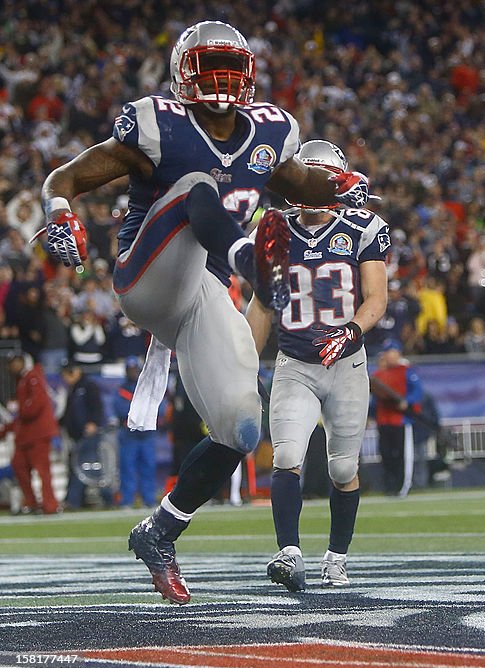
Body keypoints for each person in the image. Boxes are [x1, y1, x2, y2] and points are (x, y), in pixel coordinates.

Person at [39, 20, 372, 605]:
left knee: (242, 426)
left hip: (204, 292)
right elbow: (67, 176)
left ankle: (161, 530)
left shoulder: (271, 131)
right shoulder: (159, 124)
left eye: (229, 66)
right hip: (148, 276)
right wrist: (58, 208)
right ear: (182, 75)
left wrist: (338, 186)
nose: (220, 80)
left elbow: (297, 181)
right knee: (198, 184)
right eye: (208, 66)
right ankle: (247, 256)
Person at [246, 139, 390, 592]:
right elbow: (262, 305)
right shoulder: (273, 229)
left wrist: (351, 330)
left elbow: (377, 298)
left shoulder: (364, 227)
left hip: (345, 365)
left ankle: (336, 557)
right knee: (287, 456)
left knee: (343, 469)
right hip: (294, 362)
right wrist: (245, 365)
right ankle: (289, 553)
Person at [0, 352, 59, 514]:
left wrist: (21, 410)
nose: (13, 366)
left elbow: (33, 407)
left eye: (15, 362)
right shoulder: (23, 380)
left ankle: (50, 505)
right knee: (19, 466)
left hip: (37, 434)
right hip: (26, 436)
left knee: (42, 471)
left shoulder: (33, 377)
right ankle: (32, 503)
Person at [60, 360, 113, 509]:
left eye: (66, 374)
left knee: (86, 467)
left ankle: (76, 500)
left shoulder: (88, 386)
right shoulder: (74, 389)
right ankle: (78, 499)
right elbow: (69, 414)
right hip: (78, 436)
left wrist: (93, 423)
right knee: (81, 467)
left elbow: (97, 406)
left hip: (89, 435)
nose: (64, 378)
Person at [372, 339, 422, 497]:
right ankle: (389, 486)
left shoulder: (406, 371)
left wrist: (407, 401)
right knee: (386, 454)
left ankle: (402, 486)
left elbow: (417, 392)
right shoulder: (378, 374)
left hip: (400, 420)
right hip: (383, 419)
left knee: (401, 454)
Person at [114, 356, 158, 508]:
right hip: (129, 435)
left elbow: (159, 406)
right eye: (130, 370)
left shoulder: (149, 387)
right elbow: (119, 409)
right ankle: (127, 500)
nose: (133, 372)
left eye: (135, 369)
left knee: (149, 467)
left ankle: (149, 499)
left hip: (147, 434)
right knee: (127, 468)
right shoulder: (122, 390)